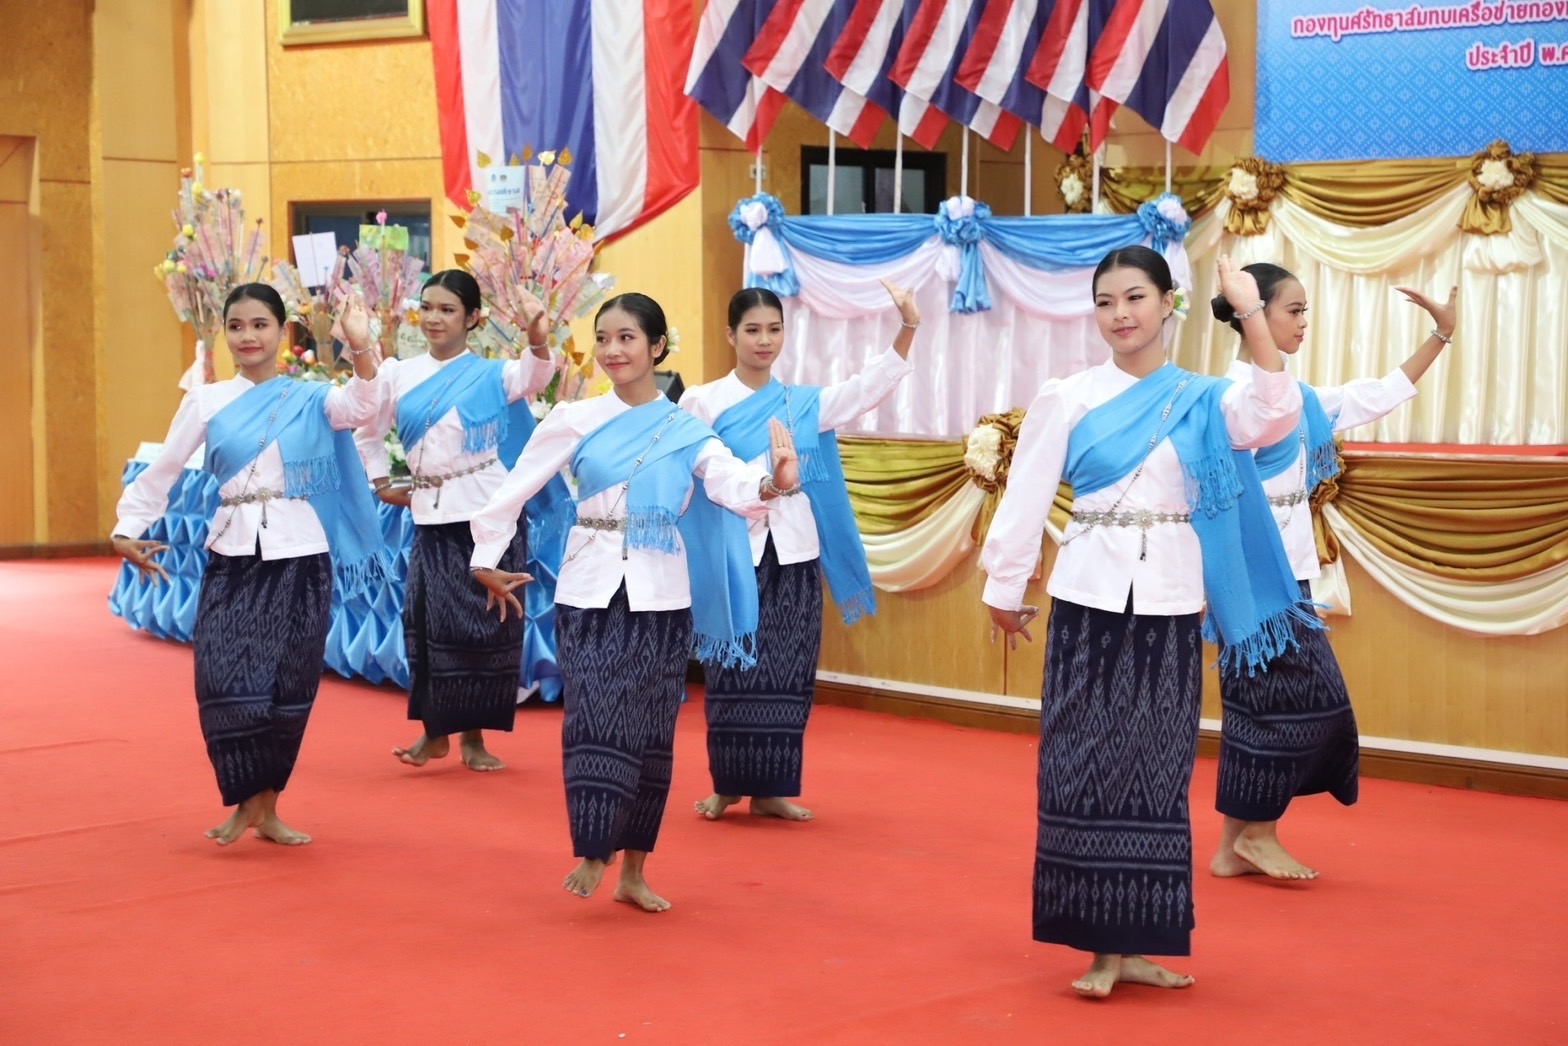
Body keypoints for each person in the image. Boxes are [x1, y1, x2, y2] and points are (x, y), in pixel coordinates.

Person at [982, 246, 1309, 998]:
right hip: (1086, 602)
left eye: (1135, 297)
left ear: (1169, 304)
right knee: (1081, 767)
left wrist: (1249, 310)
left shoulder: (1205, 398)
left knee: (1157, 772)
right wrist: (1004, 583)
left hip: (1169, 603)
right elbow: (1026, 494)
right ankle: (1099, 947)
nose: (1120, 314)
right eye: (1105, 301)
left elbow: (1276, 411)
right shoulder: (1068, 397)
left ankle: (1139, 943)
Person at [468, 292, 800, 913]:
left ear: (657, 347)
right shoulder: (575, 418)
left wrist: (771, 482)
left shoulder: (687, 430)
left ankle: (635, 871)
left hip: (663, 598)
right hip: (587, 592)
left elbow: (729, 479)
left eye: (627, 338)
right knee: (595, 716)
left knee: (651, 732)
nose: (612, 350)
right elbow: (514, 487)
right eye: (603, 338)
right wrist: (484, 558)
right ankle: (596, 847)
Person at [1209, 264, 1458, 880]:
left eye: (1306, 312)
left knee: (1255, 707)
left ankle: (1232, 846)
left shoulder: (1299, 400)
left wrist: (1442, 335)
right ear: (1253, 313)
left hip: (1283, 582)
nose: (1303, 323)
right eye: (1293, 310)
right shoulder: (1228, 400)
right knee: (1309, 705)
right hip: (1253, 583)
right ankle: (1258, 835)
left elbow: (1376, 393)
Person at [112, 283, 383, 846]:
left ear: (281, 332)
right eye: (236, 326)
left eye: (260, 325)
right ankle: (243, 798)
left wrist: (360, 345)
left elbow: (363, 406)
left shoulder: (314, 398)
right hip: (233, 557)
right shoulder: (206, 401)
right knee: (224, 682)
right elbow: (165, 468)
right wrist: (126, 529)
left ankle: (265, 808)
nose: (247, 336)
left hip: (302, 557)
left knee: (288, 687)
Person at [679, 282, 917, 822]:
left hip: (794, 557)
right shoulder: (703, 402)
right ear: (730, 335)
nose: (764, 340)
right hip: (733, 556)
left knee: (787, 675)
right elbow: (694, 473)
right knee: (734, 674)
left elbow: (866, 389)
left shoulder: (803, 403)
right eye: (752, 330)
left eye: (774, 329)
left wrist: (908, 327)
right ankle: (727, 786)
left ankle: (771, 790)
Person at [355, 269, 565, 773]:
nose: (433, 318)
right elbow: (366, 430)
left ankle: (474, 737)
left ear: (473, 318)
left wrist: (537, 334)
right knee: (429, 624)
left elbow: (536, 375)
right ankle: (435, 732)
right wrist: (380, 482)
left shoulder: (495, 374)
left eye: (447, 309)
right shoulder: (397, 374)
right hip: (431, 517)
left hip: (490, 518)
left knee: (489, 627)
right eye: (427, 307)